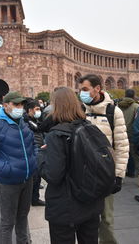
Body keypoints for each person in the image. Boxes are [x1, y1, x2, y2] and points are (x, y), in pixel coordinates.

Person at [38, 87, 104, 244]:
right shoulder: (89, 127)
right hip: (91, 201)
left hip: (65, 206)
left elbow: (54, 176)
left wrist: (40, 156)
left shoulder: (56, 135)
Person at [0, 91, 37, 244]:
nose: (20, 107)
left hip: (27, 178)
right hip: (7, 182)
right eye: (16, 104)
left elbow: (33, 143)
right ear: (5, 106)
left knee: (23, 218)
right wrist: (5, 169)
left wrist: (33, 160)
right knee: (7, 222)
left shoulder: (23, 124)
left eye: (21, 105)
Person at [78, 74, 129, 244]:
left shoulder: (113, 111)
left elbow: (122, 146)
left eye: (85, 89)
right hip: (83, 173)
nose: (81, 93)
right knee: (84, 217)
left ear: (97, 88)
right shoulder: (79, 110)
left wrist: (119, 175)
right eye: (80, 90)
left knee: (106, 218)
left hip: (105, 173)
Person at [23, 100, 45, 206]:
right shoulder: (27, 120)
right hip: (33, 150)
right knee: (35, 176)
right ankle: (34, 199)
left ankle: (34, 197)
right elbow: (38, 129)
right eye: (37, 109)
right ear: (30, 110)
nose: (39, 111)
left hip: (37, 148)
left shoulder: (34, 119)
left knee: (37, 176)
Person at [118, 89, 139, 182]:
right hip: (132, 133)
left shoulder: (118, 105)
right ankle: (138, 176)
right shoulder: (136, 106)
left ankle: (120, 177)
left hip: (120, 133)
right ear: (134, 95)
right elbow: (138, 122)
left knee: (121, 154)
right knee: (134, 154)